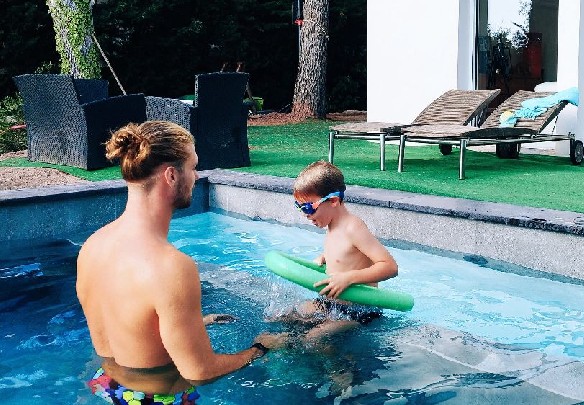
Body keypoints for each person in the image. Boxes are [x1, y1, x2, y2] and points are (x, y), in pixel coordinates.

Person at [76, 121, 283, 405]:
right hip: (155, 399)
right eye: (193, 167)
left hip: (107, 386)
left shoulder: (93, 245)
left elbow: (127, 326)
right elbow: (200, 372)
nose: (196, 177)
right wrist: (260, 348)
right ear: (171, 175)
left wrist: (193, 325)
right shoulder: (170, 266)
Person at [278, 160, 398, 344]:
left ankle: (342, 362)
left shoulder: (353, 228)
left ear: (333, 201)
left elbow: (390, 267)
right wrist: (326, 257)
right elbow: (346, 253)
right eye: (299, 207)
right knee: (284, 316)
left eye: (308, 207)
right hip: (332, 304)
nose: (305, 215)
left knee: (313, 339)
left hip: (359, 311)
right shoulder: (332, 225)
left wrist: (348, 277)